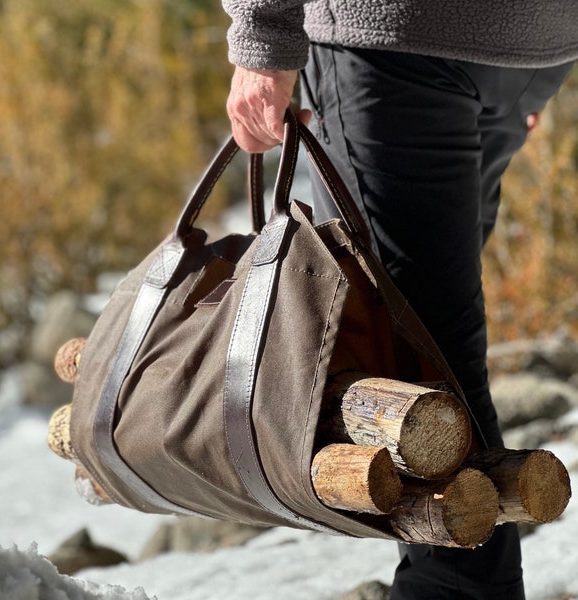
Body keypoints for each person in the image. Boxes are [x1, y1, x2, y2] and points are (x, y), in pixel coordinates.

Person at [221, 2, 577, 599]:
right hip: (527, 46)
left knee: (418, 358)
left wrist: (262, 31)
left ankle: (454, 589)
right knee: (431, 334)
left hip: (396, 36)